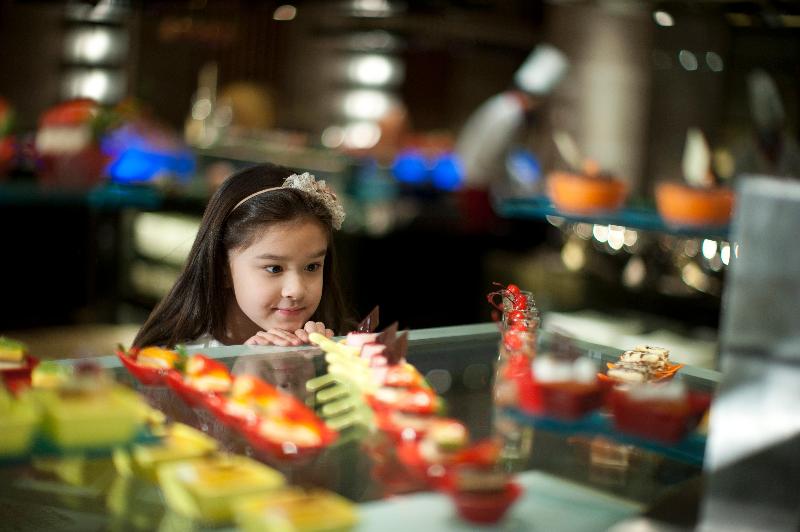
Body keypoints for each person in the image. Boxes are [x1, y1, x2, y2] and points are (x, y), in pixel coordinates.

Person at [133, 163, 351, 348]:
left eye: (312, 267)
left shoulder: (341, 346)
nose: (296, 290)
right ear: (222, 268)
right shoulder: (176, 359)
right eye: (274, 268)